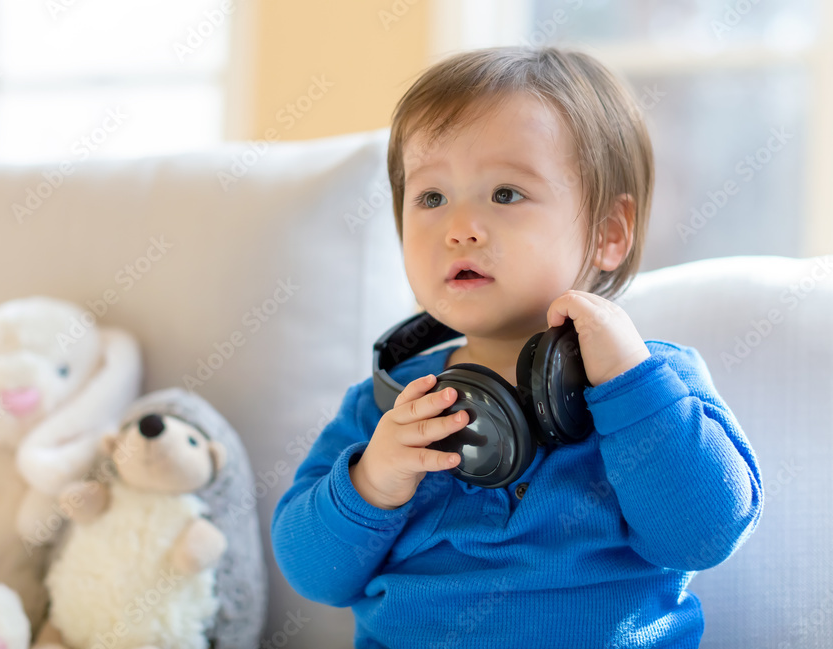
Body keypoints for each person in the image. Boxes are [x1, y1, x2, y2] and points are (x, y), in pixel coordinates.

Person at [271, 45, 763, 648]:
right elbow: (310, 574)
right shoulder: (386, 407)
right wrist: (373, 481)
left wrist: (631, 387)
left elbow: (706, 534)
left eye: (505, 194)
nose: (460, 227)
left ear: (609, 233)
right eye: (431, 198)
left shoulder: (651, 384)